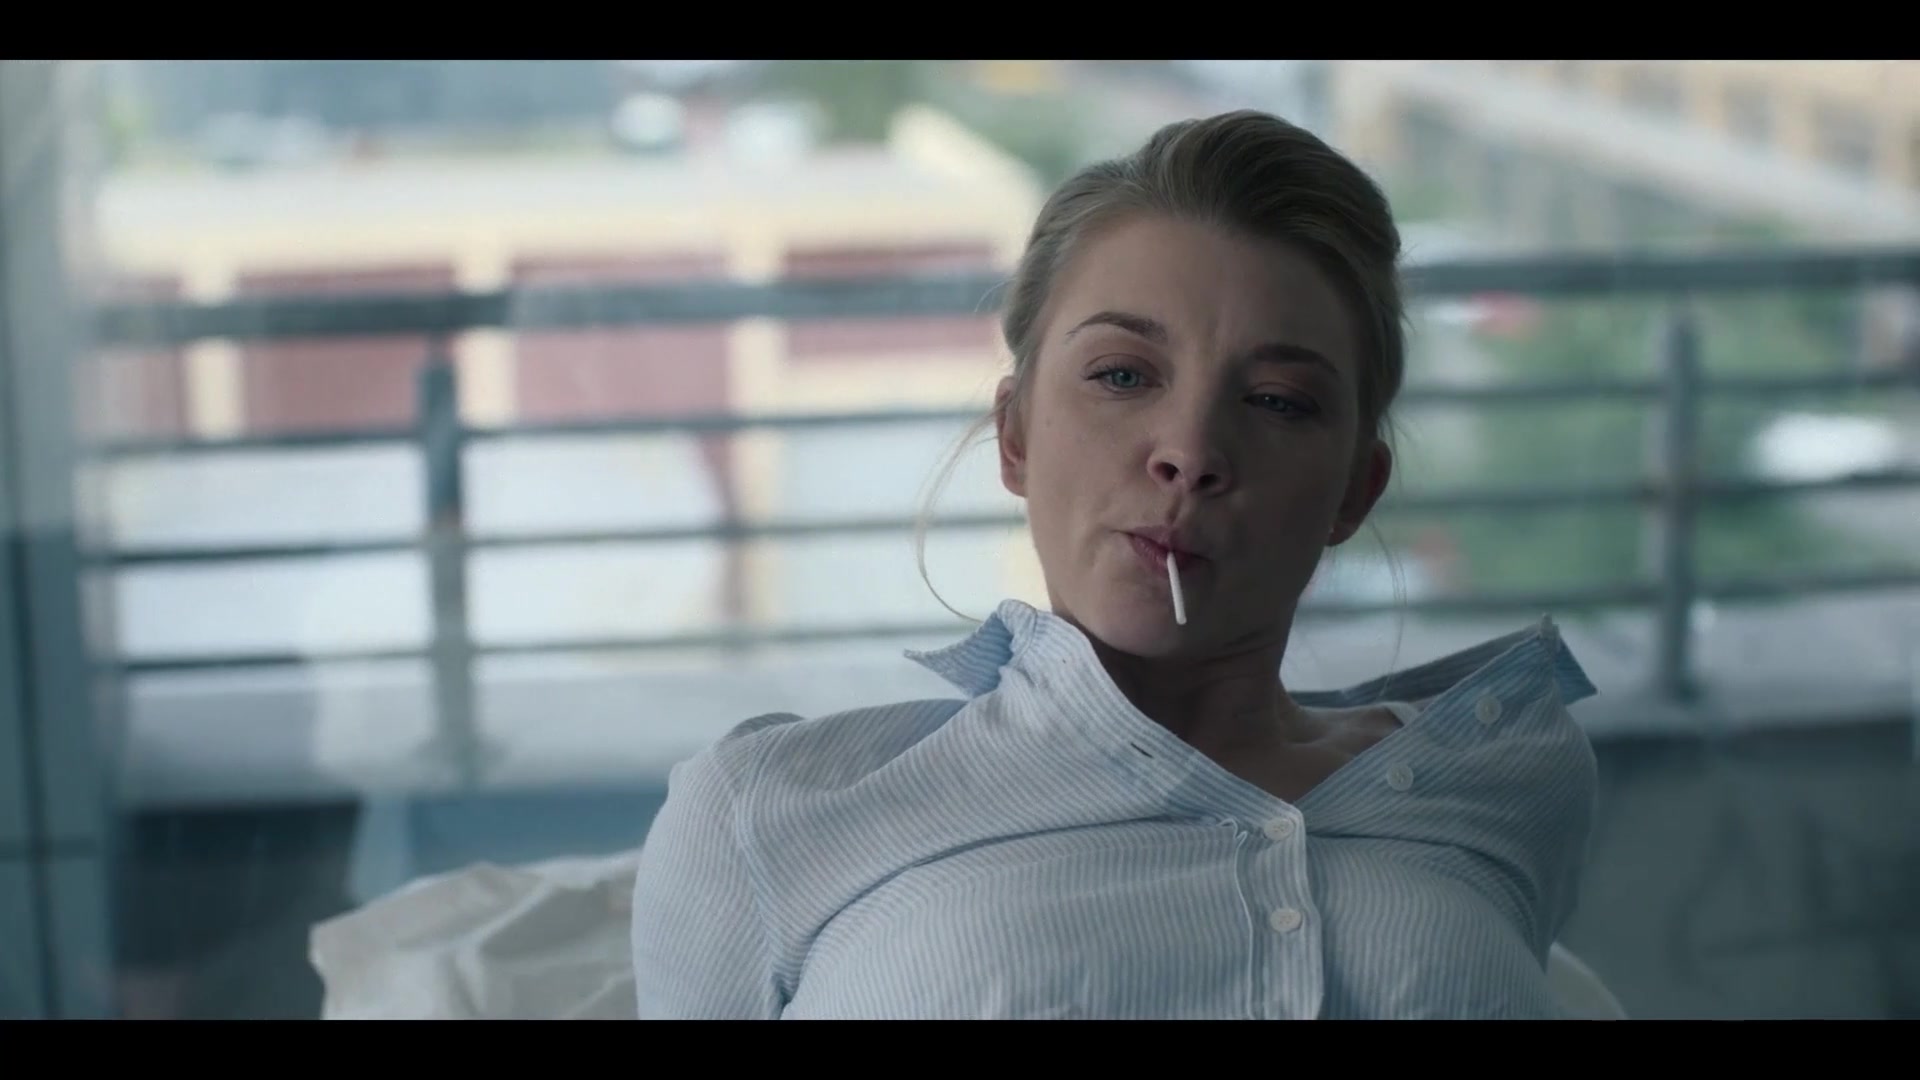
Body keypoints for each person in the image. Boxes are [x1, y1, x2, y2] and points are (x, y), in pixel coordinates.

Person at [630, 110, 1599, 1020]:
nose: (1191, 451)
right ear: (1016, 435)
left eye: (1277, 401)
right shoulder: (766, 813)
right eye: (1123, 375)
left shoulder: (1502, 777)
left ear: (1355, 490)